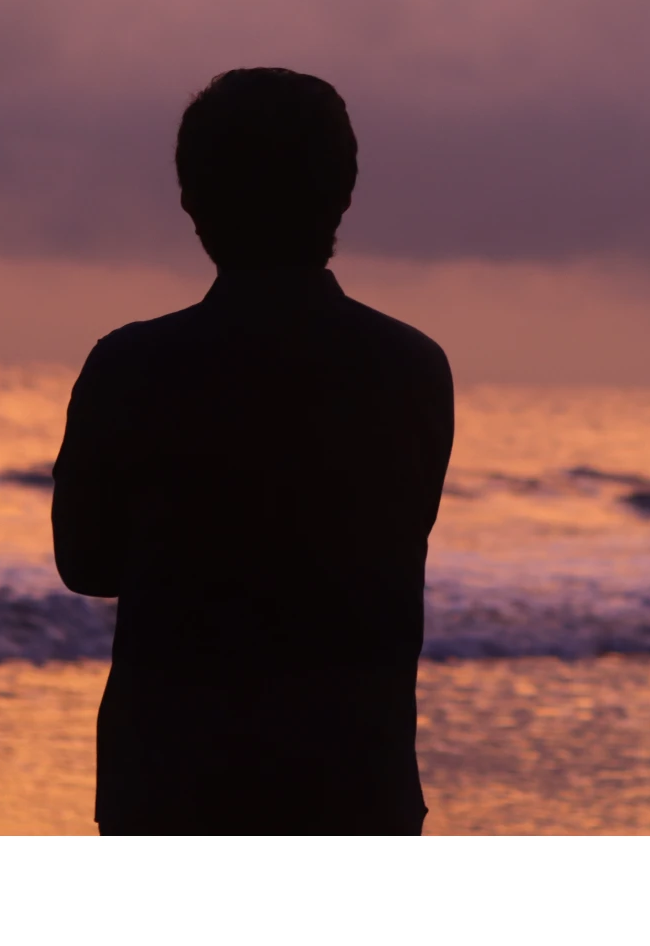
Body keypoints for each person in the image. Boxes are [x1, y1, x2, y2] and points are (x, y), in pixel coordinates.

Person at [51, 68, 454, 835]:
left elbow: (85, 563)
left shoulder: (131, 365)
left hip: (171, 782)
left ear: (192, 202)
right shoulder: (412, 367)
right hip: (354, 782)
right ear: (343, 194)